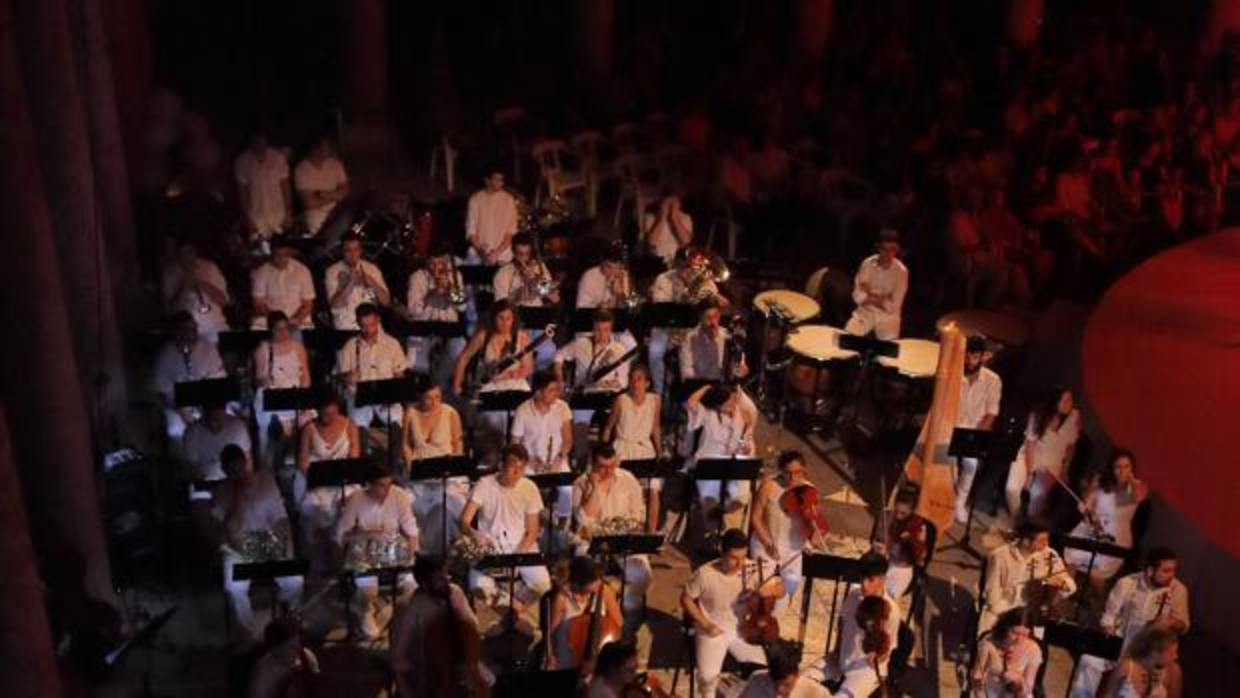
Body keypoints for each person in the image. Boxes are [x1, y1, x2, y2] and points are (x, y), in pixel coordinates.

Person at [1069, 547, 1190, 698]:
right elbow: (1109, 615)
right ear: (1150, 570)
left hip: (1149, 654)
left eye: (1173, 570)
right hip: (1121, 645)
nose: (1171, 575)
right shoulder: (1127, 583)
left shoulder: (1178, 590)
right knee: (1089, 661)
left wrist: (1171, 622)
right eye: (1166, 571)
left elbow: (1184, 625)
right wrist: (1108, 628)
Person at [212, 445, 302, 641]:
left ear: (246, 463)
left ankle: (290, 620)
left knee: (295, 581)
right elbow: (230, 529)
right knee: (233, 587)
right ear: (225, 471)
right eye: (233, 472)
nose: (239, 474)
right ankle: (251, 634)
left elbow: (281, 519)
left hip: (266, 540)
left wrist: (285, 548)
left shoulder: (266, 481)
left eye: (241, 468)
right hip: (236, 545)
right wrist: (237, 496)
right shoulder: (221, 492)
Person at [680, 528, 782, 698]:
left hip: (743, 630)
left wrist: (771, 590)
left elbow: (780, 588)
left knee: (765, 673)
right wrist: (705, 624)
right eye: (734, 558)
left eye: (743, 557)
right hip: (713, 631)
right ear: (722, 553)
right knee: (707, 679)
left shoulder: (752, 568)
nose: (740, 564)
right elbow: (686, 599)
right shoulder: (705, 574)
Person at [458, 444, 552, 614]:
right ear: (501, 465)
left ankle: (513, 611)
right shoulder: (485, 484)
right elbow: (464, 521)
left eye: (521, 468)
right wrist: (475, 534)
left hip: (521, 547)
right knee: (478, 586)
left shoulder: (529, 488)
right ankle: (511, 611)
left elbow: (532, 531)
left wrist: (518, 556)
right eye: (513, 466)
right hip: (490, 547)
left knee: (542, 583)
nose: (517, 472)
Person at [334, 463, 419, 640]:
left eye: (389, 485)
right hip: (364, 552)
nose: (386, 491)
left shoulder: (399, 495)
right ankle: (365, 611)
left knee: (412, 587)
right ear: (369, 485)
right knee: (369, 594)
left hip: (393, 550)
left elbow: (412, 532)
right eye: (381, 486)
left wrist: (411, 554)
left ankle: (399, 617)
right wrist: (367, 534)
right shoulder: (356, 498)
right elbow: (341, 536)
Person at [571, 444, 655, 622]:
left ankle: (617, 599)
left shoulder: (628, 479)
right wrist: (594, 488)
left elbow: (638, 514)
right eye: (602, 467)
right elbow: (583, 521)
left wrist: (626, 530)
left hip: (623, 537)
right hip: (591, 539)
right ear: (592, 464)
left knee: (642, 576)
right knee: (586, 574)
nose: (608, 471)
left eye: (612, 465)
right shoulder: (580, 484)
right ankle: (602, 612)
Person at [389, 556, 491, 698]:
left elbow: (470, 629)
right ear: (425, 584)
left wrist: (472, 669)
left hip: (454, 667)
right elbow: (400, 661)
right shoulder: (409, 609)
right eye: (440, 579)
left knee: (488, 681)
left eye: (446, 575)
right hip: (425, 676)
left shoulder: (453, 593)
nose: (447, 581)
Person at [293, 393, 361, 571]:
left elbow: (354, 456)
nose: (327, 418)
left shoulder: (349, 425)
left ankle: (345, 562)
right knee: (313, 513)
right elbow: (302, 462)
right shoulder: (309, 428)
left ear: (337, 409)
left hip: (343, 480)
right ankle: (316, 564)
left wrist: (341, 473)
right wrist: (318, 475)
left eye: (331, 414)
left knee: (350, 508)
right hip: (318, 481)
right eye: (323, 414)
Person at [819, 552, 900, 698]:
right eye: (862, 578)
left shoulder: (892, 611)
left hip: (865, 670)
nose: (864, 584)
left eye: (870, 579)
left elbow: (888, 648)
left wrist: (876, 656)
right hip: (841, 660)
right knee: (801, 681)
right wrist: (836, 653)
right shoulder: (853, 596)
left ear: (882, 579)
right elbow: (842, 624)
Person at [749, 450, 824, 604]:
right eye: (788, 473)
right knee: (763, 591)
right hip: (766, 544)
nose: (792, 478)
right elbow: (756, 518)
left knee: (786, 595)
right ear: (781, 471)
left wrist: (813, 538)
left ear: (804, 470)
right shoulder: (769, 486)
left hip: (793, 550)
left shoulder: (810, 491)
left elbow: (815, 527)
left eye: (797, 472)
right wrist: (767, 543)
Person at [1064, 449, 1148, 582]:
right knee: (1072, 561)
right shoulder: (1102, 483)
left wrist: (1130, 479)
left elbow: (1137, 496)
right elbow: (1086, 506)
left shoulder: (1137, 486)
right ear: (1112, 468)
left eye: (1126, 466)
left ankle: (1097, 601)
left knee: (1097, 575)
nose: (1121, 471)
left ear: (1132, 468)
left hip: (1117, 536)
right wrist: (1089, 497)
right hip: (1093, 528)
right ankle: (1056, 600)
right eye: (1117, 467)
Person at [979, 520, 1076, 634]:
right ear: (1025, 541)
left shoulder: (1049, 555)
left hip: (1032, 615)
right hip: (1003, 611)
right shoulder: (1000, 556)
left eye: (1047, 540)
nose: (1046, 544)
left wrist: (1062, 584)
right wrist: (1008, 617)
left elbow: (1071, 586)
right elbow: (992, 593)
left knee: (1033, 648)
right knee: (989, 641)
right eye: (1041, 540)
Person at [402, 383, 467, 555]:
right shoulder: (411, 412)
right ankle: (418, 551)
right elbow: (406, 445)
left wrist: (456, 466)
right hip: (420, 474)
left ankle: (449, 550)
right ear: (421, 398)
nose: (434, 401)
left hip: (445, 473)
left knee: (444, 507)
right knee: (406, 506)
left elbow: (457, 442)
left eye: (438, 397)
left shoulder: (450, 412)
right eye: (429, 398)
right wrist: (411, 466)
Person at [647, 248, 724, 392]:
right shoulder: (663, 279)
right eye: (684, 266)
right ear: (676, 264)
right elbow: (661, 310)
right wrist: (684, 294)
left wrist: (717, 302)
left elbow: (712, 309)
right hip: (666, 327)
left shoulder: (705, 282)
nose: (688, 271)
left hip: (693, 328)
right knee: (655, 352)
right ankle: (658, 390)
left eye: (692, 267)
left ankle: (700, 389)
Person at [1004, 387, 1082, 518]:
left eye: (1070, 400)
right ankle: (1017, 519)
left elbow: (1071, 447)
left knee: (1037, 495)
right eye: (1064, 400)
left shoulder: (1075, 417)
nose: (1069, 404)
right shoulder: (1038, 415)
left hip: (1051, 465)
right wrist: (1030, 473)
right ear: (1055, 401)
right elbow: (1030, 446)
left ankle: (1027, 523)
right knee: (1012, 489)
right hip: (1029, 457)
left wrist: (1065, 469)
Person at [601, 363, 663, 526]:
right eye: (632, 379)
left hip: (645, 449)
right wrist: (604, 449)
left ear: (647, 383)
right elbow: (609, 427)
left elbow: (655, 427)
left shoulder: (655, 400)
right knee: (622, 489)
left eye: (639, 379)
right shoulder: (621, 400)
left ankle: (651, 534)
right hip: (623, 449)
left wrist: (659, 451)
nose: (635, 383)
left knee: (654, 490)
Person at [686, 383, 757, 523]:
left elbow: (747, 442)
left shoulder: (741, 416)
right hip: (709, 464)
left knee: (741, 497)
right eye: (728, 401)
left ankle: (721, 512)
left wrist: (746, 447)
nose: (733, 403)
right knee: (710, 499)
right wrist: (706, 387)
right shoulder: (708, 414)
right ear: (718, 404)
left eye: (734, 400)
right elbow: (691, 403)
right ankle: (712, 525)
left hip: (733, 463)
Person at [334, 303, 407, 439]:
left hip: (386, 394)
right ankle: (364, 454)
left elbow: (400, 375)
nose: (368, 330)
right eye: (364, 326)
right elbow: (338, 377)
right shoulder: (350, 346)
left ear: (378, 320)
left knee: (396, 417)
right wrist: (347, 377)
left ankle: (395, 457)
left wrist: (396, 389)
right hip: (359, 395)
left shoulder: (392, 344)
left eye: (372, 324)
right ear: (358, 324)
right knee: (358, 421)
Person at [555, 310, 633, 435]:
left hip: (607, 396)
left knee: (612, 429)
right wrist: (559, 379)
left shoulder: (619, 349)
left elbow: (624, 381)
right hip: (584, 394)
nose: (602, 334)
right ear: (593, 328)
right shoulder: (581, 343)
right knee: (579, 430)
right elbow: (559, 355)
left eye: (606, 330)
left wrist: (614, 383)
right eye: (598, 330)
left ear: (611, 329)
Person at [151, 311, 226, 439]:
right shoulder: (164, 357)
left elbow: (218, 381)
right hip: (178, 407)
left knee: (224, 425)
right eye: (185, 329)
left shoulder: (209, 349)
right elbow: (165, 394)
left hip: (208, 402)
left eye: (193, 328)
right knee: (176, 429)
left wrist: (209, 412)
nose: (190, 333)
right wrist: (186, 416)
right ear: (175, 332)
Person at [510, 370, 574, 519]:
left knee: (567, 490)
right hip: (530, 462)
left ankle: (561, 523)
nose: (556, 394)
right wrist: (530, 461)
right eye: (551, 390)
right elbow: (515, 444)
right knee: (523, 490)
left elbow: (568, 439)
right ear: (538, 393)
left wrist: (559, 458)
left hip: (556, 460)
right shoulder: (523, 411)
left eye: (556, 390)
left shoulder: (562, 407)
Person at [251, 311, 312, 464]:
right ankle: (267, 464)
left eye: (286, 328)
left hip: (294, 394)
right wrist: (263, 381)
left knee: (308, 420)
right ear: (271, 330)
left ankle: (297, 460)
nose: (283, 333)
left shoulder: (297, 347)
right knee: (267, 430)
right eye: (278, 329)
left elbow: (305, 376)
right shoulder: (263, 349)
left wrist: (305, 401)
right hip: (272, 396)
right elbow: (257, 381)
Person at [954, 335, 1002, 523]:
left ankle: (960, 503)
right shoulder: (953, 372)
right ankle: (944, 498)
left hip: (974, 431)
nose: (969, 361)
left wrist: (974, 437)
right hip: (949, 428)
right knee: (945, 464)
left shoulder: (993, 380)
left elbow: (991, 413)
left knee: (970, 465)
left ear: (983, 357)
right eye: (967, 356)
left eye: (974, 357)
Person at [547, 555, 624, 671]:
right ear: (578, 583)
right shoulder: (562, 598)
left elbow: (619, 623)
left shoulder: (604, 591)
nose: (598, 584)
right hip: (568, 650)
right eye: (594, 582)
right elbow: (551, 631)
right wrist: (550, 656)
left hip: (598, 649)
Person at [405, 243, 468, 381]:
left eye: (440, 263)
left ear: (445, 261)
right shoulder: (417, 277)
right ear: (426, 261)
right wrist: (431, 293)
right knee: (415, 367)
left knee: (461, 354)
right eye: (432, 263)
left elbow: (462, 307)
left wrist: (449, 289)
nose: (435, 268)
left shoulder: (456, 275)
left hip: (449, 330)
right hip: (423, 329)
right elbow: (413, 311)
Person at [843, 229, 908, 340]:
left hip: (888, 319)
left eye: (892, 249)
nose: (888, 254)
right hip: (865, 313)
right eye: (884, 249)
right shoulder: (867, 264)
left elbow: (893, 306)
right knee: (847, 341)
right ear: (878, 248)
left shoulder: (901, 272)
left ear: (896, 250)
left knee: (886, 354)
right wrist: (883, 298)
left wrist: (869, 294)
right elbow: (857, 296)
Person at [161, 239, 230, 343]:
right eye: (182, 253)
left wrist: (204, 286)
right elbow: (169, 311)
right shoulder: (170, 274)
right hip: (188, 334)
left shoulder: (209, 267)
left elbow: (224, 301)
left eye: (189, 251)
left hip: (217, 327)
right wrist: (184, 287)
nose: (187, 257)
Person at [969, 608, 1043, 698]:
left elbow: (1027, 690)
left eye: (1024, 635)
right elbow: (977, 676)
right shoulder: (989, 642)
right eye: (1015, 633)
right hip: (988, 692)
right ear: (1006, 627)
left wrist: (1019, 680)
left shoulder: (1033, 649)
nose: (1019, 639)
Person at [324, 231, 391, 330]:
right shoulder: (332, 271)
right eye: (348, 250)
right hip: (345, 326)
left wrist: (372, 282)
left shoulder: (372, 269)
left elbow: (386, 302)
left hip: (372, 327)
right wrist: (350, 283)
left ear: (361, 250)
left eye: (356, 249)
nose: (353, 254)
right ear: (342, 251)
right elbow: (334, 306)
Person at [234, 130, 292, 241]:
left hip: (278, 215)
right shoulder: (242, 161)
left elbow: (285, 187)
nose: (259, 143)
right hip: (257, 218)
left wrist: (288, 212)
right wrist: (247, 219)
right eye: (256, 140)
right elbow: (242, 194)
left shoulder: (278, 157)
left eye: (262, 139)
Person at [873, 488, 929, 600]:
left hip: (901, 570)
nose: (898, 516)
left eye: (903, 514)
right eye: (896, 511)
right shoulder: (888, 516)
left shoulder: (918, 526)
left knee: (885, 600)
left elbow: (921, 556)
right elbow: (876, 540)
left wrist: (911, 540)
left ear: (912, 511)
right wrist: (879, 547)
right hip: (885, 563)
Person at [1098, 624, 1182, 698]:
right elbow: (1108, 695)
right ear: (1155, 653)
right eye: (1171, 653)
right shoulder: (1127, 668)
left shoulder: (1166, 674)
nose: (1176, 656)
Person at [250, 236, 316, 329]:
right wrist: (276, 321)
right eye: (277, 255)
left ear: (289, 253)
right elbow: (258, 303)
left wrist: (296, 319)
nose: (281, 259)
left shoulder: (302, 270)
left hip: (298, 319)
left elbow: (308, 303)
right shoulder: (261, 272)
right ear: (271, 254)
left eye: (284, 254)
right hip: (270, 319)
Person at [246, 617, 319, 698]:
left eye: (299, 644)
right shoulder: (261, 680)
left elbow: (317, 685)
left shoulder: (305, 655)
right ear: (274, 648)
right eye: (292, 647)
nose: (298, 650)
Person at [293, 134, 348, 236]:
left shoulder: (336, 164)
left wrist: (324, 194)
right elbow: (309, 203)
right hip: (316, 220)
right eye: (325, 146)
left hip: (338, 216)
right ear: (315, 149)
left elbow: (345, 192)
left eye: (328, 146)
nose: (328, 149)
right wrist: (335, 196)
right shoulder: (301, 169)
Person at [679, 300, 747, 383]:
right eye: (708, 317)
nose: (713, 322)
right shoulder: (689, 339)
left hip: (723, 388)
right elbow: (687, 375)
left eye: (715, 316)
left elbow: (738, 367)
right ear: (700, 318)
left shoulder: (727, 336)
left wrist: (741, 370)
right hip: (700, 388)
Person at [740, 639, 832, 698]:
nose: (780, 689)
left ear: (797, 674)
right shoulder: (757, 682)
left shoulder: (815, 692)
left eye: (787, 684)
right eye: (775, 683)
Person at [184, 404, 252, 482]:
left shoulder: (239, 427)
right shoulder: (192, 433)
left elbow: (247, 459)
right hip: (208, 481)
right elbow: (193, 468)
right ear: (203, 414)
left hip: (234, 481)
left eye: (218, 420)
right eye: (211, 419)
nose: (214, 425)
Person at [465, 168, 520, 264]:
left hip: (503, 255)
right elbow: (471, 230)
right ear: (487, 180)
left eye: (502, 180)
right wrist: (482, 253)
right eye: (496, 179)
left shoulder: (508, 200)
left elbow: (511, 231)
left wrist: (496, 253)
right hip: (479, 255)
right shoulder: (475, 199)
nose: (500, 183)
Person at [492, 232, 559, 306]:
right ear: (513, 252)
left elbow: (555, 298)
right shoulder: (502, 273)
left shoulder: (538, 267)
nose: (524, 258)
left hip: (537, 313)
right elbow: (502, 305)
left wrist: (535, 279)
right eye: (520, 254)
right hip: (515, 314)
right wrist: (519, 292)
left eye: (527, 254)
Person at [642, 193, 694, 265]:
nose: (670, 206)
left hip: (674, 261)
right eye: (667, 203)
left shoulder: (685, 218)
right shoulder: (650, 217)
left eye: (673, 203)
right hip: (652, 260)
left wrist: (674, 218)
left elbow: (686, 241)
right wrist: (662, 217)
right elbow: (652, 243)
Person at [576, 245, 633, 310]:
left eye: (618, 268)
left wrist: (619, 295)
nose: (613, 273)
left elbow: (628, 311)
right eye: (608, 267)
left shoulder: (625, 276)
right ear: (601, 263)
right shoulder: (589, 277)